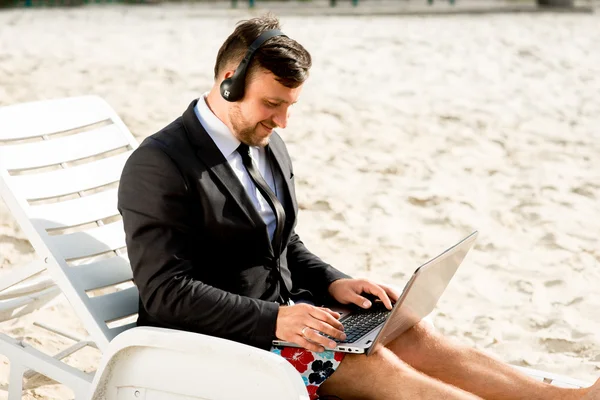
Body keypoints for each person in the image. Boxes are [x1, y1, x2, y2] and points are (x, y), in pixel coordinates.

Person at [117, 13, 599, 400]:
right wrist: (277, 320)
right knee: (373, 360)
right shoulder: (160, 165)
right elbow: (166, 292)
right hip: (220, 341)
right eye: (272, 104)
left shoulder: (263, 141)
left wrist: (333, 281)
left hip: (290, 317)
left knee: (413, 333)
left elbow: (281, 242)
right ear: (228, 81)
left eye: (290, 105)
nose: (283, 121)